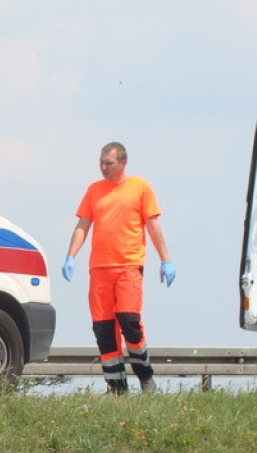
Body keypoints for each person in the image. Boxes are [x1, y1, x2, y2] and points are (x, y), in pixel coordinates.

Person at [63, 141, 176, 394]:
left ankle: (146, 378)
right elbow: (83, 225)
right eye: (101, 162)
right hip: (99, 269)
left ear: (123, 162)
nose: (103, 167)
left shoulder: (141, 188)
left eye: (109, 163)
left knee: (129, 321)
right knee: (103, 329)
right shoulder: (94, 190)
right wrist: (71, 255)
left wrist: (165, 258)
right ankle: (116, 388)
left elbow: (153, 225)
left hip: (128, 265)